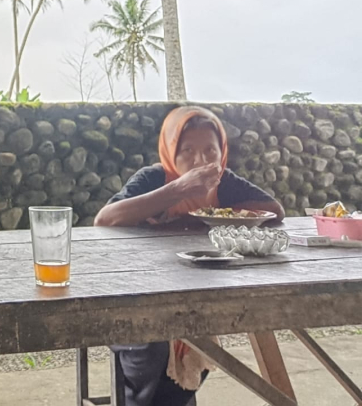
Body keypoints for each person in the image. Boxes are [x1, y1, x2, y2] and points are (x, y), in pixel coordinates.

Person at [94, 106, 285, 406]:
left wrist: (207, 216)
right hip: (134, 298)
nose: (201, 161)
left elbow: (274, 210)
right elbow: (104, 220)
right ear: (171, 151)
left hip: (195, 299)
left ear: (222, 152)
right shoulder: (154, 178)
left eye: (210, 150)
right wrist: (178, 190)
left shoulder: (223, 182)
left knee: (202, 340)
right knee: (153, 347)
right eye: (188, 151)